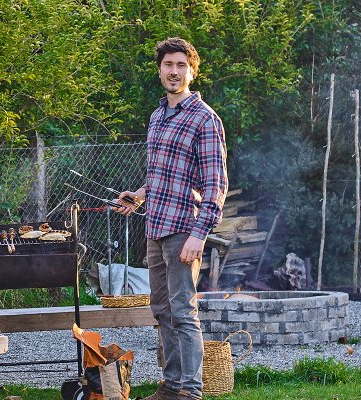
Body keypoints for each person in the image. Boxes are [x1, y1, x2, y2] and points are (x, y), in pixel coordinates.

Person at [114, 37, 228, 400]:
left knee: (183, 312)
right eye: (168, 65)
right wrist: (139, 195)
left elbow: (216, 183)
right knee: (161, 311)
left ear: (192, 71)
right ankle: (172, 385)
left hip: (184, 231)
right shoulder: (157, 115)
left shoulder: (205, 119)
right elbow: (163, 174)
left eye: (181, 65)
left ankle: (190, 391)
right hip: (156, 228)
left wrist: (200, 234)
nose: (174, 71)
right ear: (160, 69)